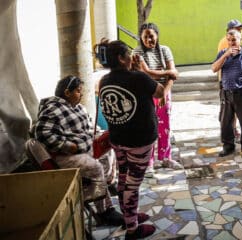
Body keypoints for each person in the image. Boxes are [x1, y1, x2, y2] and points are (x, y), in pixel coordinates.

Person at [94, 39, 167, 239]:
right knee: (132, 184)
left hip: (118, 139)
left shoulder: (105, 81)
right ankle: (132, 229)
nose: (131, 56)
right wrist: (140, 71)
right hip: (139, 141)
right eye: (127, 54)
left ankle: (129, 216)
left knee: (124, 179)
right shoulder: (139, 78)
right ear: (121, 58)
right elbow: (160, 92)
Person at [33, 75, 124, 226]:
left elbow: (87, 129)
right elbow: (42, 133)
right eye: (78, 91)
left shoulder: (79, 108)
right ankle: (105, 211)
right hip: (65, 155)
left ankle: (103, 187)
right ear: (67, 93)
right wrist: (68, 146)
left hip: (85, 148)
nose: (81, 94)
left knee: (109, 152)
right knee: (95, 168)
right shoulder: (52, 109)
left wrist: (99, 136)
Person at [132, 22, 183, 176]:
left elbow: (172, 77)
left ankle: (165, 158)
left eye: (151, 36)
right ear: (141, 38)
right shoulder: (137, 52)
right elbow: (147, 74)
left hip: (164, 94)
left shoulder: (165, 50)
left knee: (165, 127)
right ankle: (149, 163)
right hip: (146, 94)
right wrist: (168, 71)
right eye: (145, 36)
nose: (149, 39)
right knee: (148, 128)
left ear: (157, 36)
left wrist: (164, 94)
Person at [211, 29, 242, 159]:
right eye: (229, 40)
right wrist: (225, 55)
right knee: (225, 122)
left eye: (234, 40)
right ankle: (228, 147)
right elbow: (214, 68)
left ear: (240, 40)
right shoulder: (223, 53)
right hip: (226, 93)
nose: (231, 42)